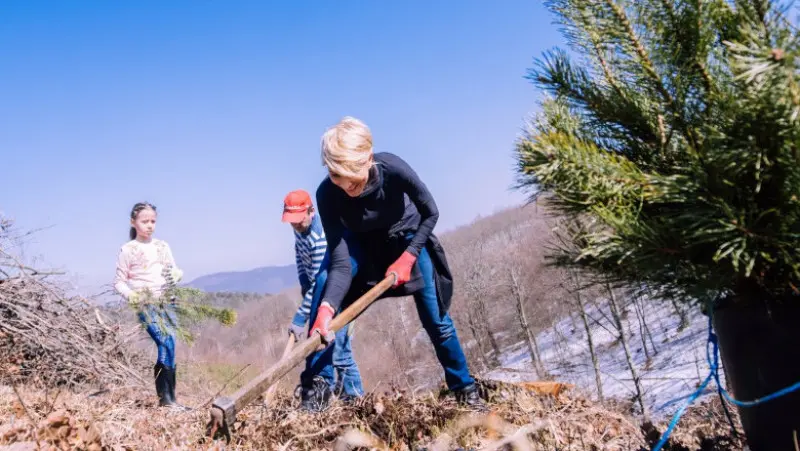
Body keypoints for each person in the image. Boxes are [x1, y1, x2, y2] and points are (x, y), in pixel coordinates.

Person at [297, 116, 486, 412]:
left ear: (367, 159)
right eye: (337, 177)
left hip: (407, 238)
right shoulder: (327, 194)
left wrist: (409, 256)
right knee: (323, 292)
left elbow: (431, 213)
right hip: (361, 247)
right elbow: (341, 261)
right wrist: (326, 309)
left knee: (437, 320)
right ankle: (317, 390)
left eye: (353, 179)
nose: (347, 187)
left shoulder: (393, 169)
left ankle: (465, 389)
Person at [281, 189, 365, 403]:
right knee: (325, 346)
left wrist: (301, 316)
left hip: (339, 296)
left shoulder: (321, 236)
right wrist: (303, 285)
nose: (296, 225)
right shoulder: (299, 230)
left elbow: (323, 281)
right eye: (292, 221)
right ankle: (338, 396)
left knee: (340, 350)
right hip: (318, 296)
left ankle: (356, 399)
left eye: (299, 220)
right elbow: (300, 258)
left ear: (311, 211)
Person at [113, 202, 188, 410]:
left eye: (153, 221)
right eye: (144, 221)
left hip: (167, 301)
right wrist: (132, 295)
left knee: (170, 343)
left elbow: (172, 270)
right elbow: (118, 281)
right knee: (164, 341)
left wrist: (176, 275)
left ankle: (171, 399)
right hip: (145, 303)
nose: (149, 225)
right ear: (133, 222)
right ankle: (166, 401)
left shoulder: (162, 246)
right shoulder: (128, 249)